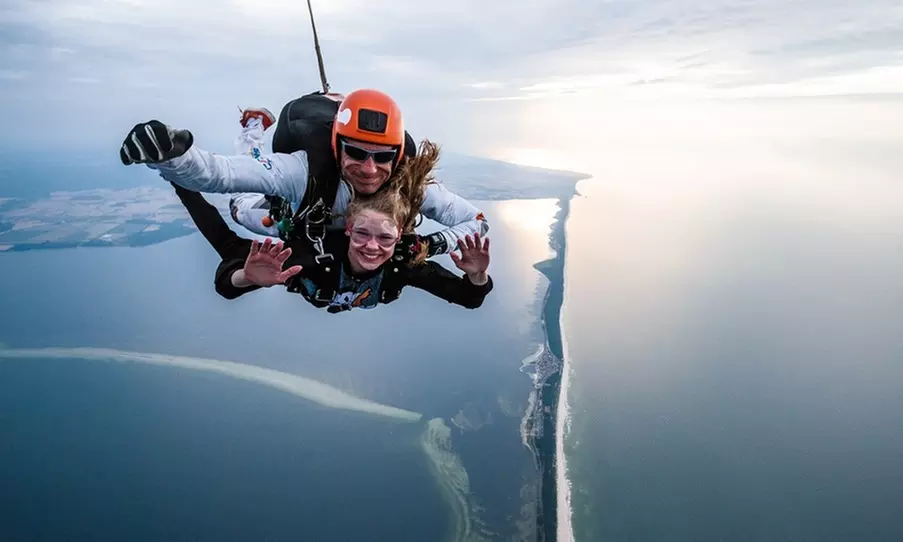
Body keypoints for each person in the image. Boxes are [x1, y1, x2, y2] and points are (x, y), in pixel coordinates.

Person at [119, 89, 489, 266]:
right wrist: (171, 154)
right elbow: (220, 174)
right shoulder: (301, 171)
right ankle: (252, 128)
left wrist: (433, 245)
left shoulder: (410, 186)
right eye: (357, 153)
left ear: (398, 155)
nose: (369, 168)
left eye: (383, 157)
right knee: (242, 209)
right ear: (337, 146)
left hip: (344, 229)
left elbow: (477, 221)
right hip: (298, 217)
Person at [169, 138, 493, 313]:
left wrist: (477, 275)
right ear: (349, 229)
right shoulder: (311, 256)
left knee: (247, 211)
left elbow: (467, 296)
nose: (372, 246)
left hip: (299, 224)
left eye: (385, 238)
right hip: (283, 223)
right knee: (240, 208)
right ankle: (250, 132)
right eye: (364, 233)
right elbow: (226, 246)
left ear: (401, 236)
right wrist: (178, 178)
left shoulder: (402, 264)